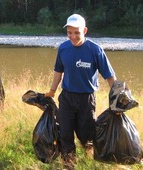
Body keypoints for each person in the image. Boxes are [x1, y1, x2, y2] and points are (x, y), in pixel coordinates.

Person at [44, 14, 117, 168]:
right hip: (67, 98)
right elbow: (58, 70)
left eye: (76, 32)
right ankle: (69, 164)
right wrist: (52, 90)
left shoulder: (95, 50)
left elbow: (109, 76)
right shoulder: (63, 48)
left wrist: (118, 95)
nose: (73, 36)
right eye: (69, 32)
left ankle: (89, 160)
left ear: (84, 30)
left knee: (86, 136)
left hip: (86, 99)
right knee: (65, 134)